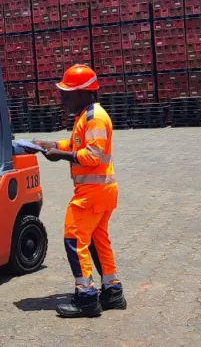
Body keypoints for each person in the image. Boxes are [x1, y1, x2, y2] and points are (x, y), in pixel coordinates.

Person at [29, 64, 126, 318]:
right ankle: (112, 291)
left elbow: (92, 156)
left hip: (92, 192)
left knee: (74, 240)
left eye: (67, 94)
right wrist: (46, 144)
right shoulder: (86, 116)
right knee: (97, 240)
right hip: (101, 190)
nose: (62, 99)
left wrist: (61, 155)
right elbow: (75, 144)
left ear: (85, 92)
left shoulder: (95, 118)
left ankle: (86, 298)